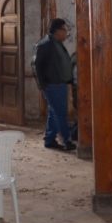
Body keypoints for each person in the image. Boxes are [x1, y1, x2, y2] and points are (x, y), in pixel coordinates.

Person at [33, 18, 76, 151]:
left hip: (59, 83)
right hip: (52, 85)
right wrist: (43, 84)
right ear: (57, 31)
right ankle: (67, 140)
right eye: (64, 30)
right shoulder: (45, 45)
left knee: (54, 112)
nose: (66, 33)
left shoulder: (56, 43)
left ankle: (50, 139)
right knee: (60, 113)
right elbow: (37, 66)